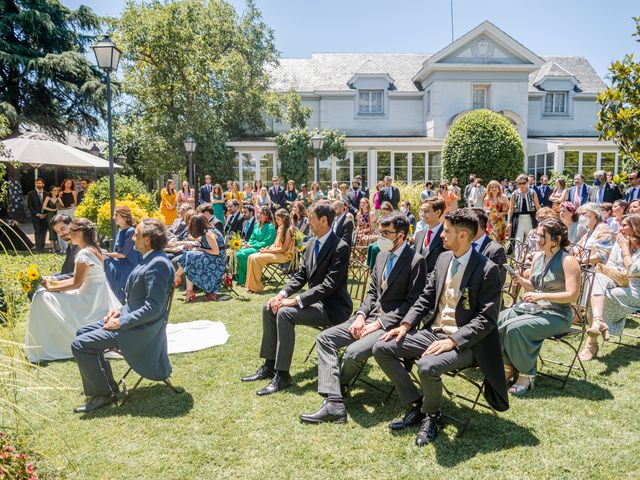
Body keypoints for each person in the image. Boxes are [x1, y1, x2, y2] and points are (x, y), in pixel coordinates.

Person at [373, 209, 508, 446]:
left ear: (463, 235)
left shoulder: (488, 270)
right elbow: (425, 298)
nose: (441, 235)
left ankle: (432, 417)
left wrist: (453, 341)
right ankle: (417, 404)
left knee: (426, 367)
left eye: (446, 231)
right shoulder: (443, 259)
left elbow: (486, 319)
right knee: (382, 347)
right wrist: (405, 325)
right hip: (432, 333)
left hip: (467, 343)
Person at [300, 212, 427, 424]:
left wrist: (379, 323)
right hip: (367, 318)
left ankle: (335, 394)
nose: (381, 236)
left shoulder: (416, 261)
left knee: (352, 353)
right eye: (380, 231)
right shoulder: (380, 256)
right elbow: (371, 293)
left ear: (402, 235)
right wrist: (360, 316)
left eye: (387, 233)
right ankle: (335, 401)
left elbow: (412, 304)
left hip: (391, 325)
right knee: (325, 338)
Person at [241, 201, 352, 395]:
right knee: (269, 307)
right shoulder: (310, 243)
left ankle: (282, 375)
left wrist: (295, 301)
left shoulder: (340, 247)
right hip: (315, 303)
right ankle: (269, 365)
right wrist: (281, 294)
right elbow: (301, 275)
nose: (308, 223)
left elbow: (329, 285)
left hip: (334, 308)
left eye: (311, 219)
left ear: (324, 220)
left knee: (285, 313)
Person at [70, 219, 173, 413]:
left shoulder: (157, 263)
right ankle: (107, 388)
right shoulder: (150, 258)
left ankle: (103, 394)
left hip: (139, 331)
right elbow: (138, 300)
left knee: (80, 344)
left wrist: (121, 322)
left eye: (137, 234)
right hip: (130, 321)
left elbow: (154, 308)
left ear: (148, 240)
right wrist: (119, 310)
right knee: (81, 332)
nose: (133, 237)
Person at [498, 218, 581, 394]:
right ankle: (508, 366)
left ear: (556, 239)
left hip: (558, 315)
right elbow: (536, 286)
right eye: (536, 236)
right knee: (499, 320)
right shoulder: (538, 257)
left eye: (541, 236)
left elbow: (572, 295)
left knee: (515, 328)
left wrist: (540, 295)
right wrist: (521, 281)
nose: (536, 240)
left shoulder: (568, 261)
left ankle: (526, 374)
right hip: (533, 310)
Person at [25, 218, 120, 363]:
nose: (68, 235)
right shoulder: (94, 248)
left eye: (70, 232)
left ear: (79, 233)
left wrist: (51, 287)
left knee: (42, 297)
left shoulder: (84, 254)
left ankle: (47, 345)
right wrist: (52, 283)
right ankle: (49, 340)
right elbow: (78, 279)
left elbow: (77, 283)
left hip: (88, 300)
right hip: (95, 295)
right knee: (45, 294)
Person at [579, 215, 640, 361]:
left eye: (625, 225)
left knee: (599, 297)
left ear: (636, 227)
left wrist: (625, 249)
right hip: (617, 280)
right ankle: (598, 322)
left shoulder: (623, 245)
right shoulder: (618, 243)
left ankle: (591, 342)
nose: (620, 228)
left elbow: (634, 271)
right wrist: (622, 270)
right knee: (597, 280)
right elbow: (611, 266)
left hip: (636, 289)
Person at [177, 214, 228, 302]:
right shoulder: (208, 231)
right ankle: (184, 286)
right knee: (188, 255)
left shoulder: (209, 234)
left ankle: (177, 280)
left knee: (190, 257)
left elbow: (216, 252)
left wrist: (201, 249)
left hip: (218, 261)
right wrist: (196, 242)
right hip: (212, 258)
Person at [246, 209, 295, 293]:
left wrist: (267, 251)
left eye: (278, 219)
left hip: (284, 255)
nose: (276, 221)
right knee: (251, 256)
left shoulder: (288, 230)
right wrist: (267, 248)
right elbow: (276, 244)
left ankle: (256, 287)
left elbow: (283, 249)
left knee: (256, 259)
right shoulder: (280, 228)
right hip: (276, 252)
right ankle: (251, 286)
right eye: (275, 218)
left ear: (284, 218)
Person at [104, 206, 141, 303]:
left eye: (116, 215)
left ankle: (118, 300)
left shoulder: (131, 231)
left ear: (125, 217)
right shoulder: (120, 231)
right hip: (120, 264)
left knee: (105, 260)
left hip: (128, 266)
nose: (113, 217)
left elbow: (123, 254)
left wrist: (106, 254)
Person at [235, 207, 277, 286]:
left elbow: (266, 243)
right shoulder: (257, 225)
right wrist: (248, 245)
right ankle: (240, 277)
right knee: (236, 251)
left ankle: (245, 279)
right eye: (259, 213)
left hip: (262, 249)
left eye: (262, 213)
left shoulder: (270, 227)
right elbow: (252, 238)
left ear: (267, 216)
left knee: (241, 254)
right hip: (253, 247)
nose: (259, 214)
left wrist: (251, 245)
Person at [471, 208, 507, 285]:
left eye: (466, 224)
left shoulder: (496, 250)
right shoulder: (463, 245)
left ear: (476, 225)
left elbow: (497, 282)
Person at [413, 198, 446, 274]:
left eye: (426, 211)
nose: (422, 214)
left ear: (438, 212)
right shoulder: (419, 234)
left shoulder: (446, 235)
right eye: (421, 210)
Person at [507, 174, 540, 248]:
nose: (521, 185)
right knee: (518, 241)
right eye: (519, 183)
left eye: (523, 183)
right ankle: (518, 258)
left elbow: (537, 206)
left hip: (531, 219)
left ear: (527, 182)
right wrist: (509, 222)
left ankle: (531, 258)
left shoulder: (532, 192)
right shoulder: (514, 194)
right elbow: (511, 209)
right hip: (518, 219)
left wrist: (542, 219)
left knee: (532, 241)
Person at [50, 214, 78, 279]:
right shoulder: (71, 245)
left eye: (62, 229)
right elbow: (67, 270)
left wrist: (55, 279)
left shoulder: (82, 245)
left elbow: (78, 275)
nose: (61, 233)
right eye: (57, 231)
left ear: (71, 225)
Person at [26, 178, 50, 252]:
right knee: (37, 231)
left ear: (43, 184)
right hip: (35, 216)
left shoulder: (47, 193)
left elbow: (49, 205)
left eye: (39, 183)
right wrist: (37, 214)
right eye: (37, 183)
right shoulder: (30, 194)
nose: (38, 184)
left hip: (45, 216)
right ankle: (38, 249)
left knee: (44, 231)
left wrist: (45, 214)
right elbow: (30, 206)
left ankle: (42, 248)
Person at [484, 179, 509, 244]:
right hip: (491, 223)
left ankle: (500, 253)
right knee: (492, 240)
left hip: (501, 223)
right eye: (492, 187)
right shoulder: (487, 199)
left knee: (501, 242)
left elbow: (510, 209)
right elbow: (485, 211)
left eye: (496, 186)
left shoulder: (503, 197)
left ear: (498, 188)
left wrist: (503, 213)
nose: (494, 188)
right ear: (489, 189)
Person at [43, 185, 63, 253]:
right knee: (51, 230)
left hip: (57, 216)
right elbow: (44, 207)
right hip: (50, 216)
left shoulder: (58, 198)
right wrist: (52, 209)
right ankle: (53, 247)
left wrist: (59, 206)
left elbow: (62, 206)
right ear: (51, 191)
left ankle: (59, 246)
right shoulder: (48, 198)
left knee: (58, 230)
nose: (56, 192)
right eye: (54, 190)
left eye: (57, 190)